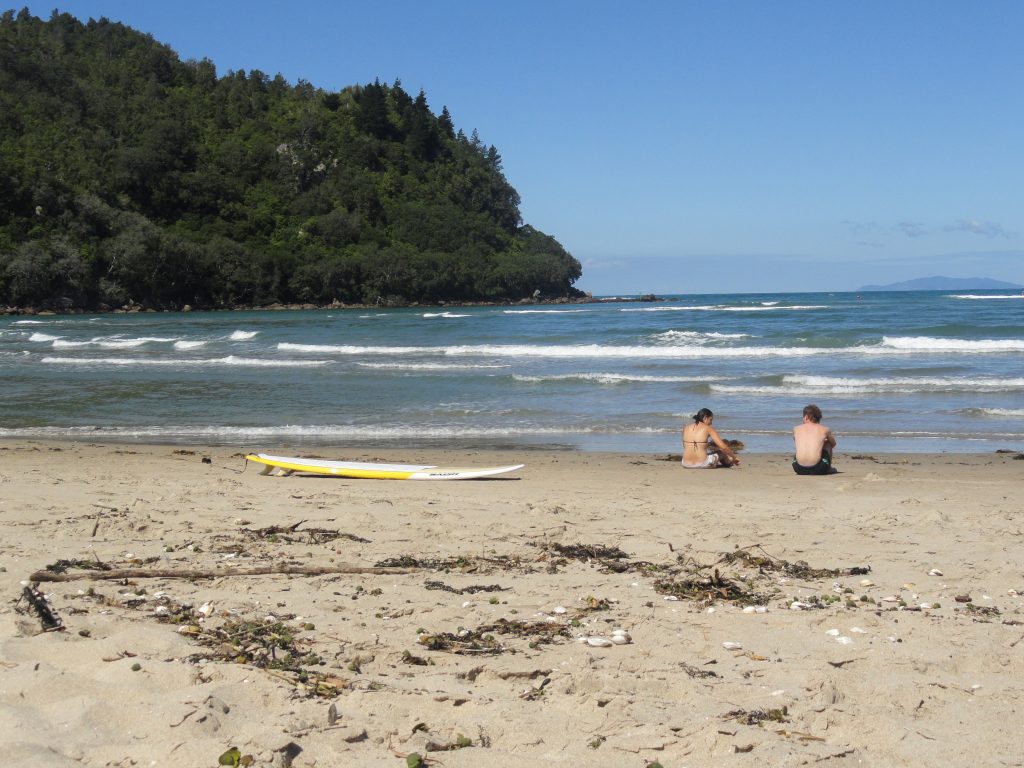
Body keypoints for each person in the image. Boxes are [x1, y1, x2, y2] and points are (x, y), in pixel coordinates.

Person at [792, 404, 836, 475]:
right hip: (819, 469)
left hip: (798, 468)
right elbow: (833, 444)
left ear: (806, 417)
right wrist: (823, 442)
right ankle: (829, 468)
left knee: (800, 445)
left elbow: (796, 441)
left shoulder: (796, 429)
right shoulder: (824, 429)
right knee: (828, 443)